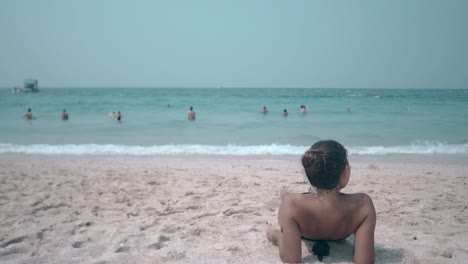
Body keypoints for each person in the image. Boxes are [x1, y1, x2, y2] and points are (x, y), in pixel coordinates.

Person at [266, 140, 376, 263]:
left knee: (287, 198)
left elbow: (291, 259)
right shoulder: (363, 205)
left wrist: (278, 238)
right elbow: (364, 261)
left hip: (306, 226)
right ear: (345, 171)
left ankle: (289, 193)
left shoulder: (291, 204)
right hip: (340, 231)